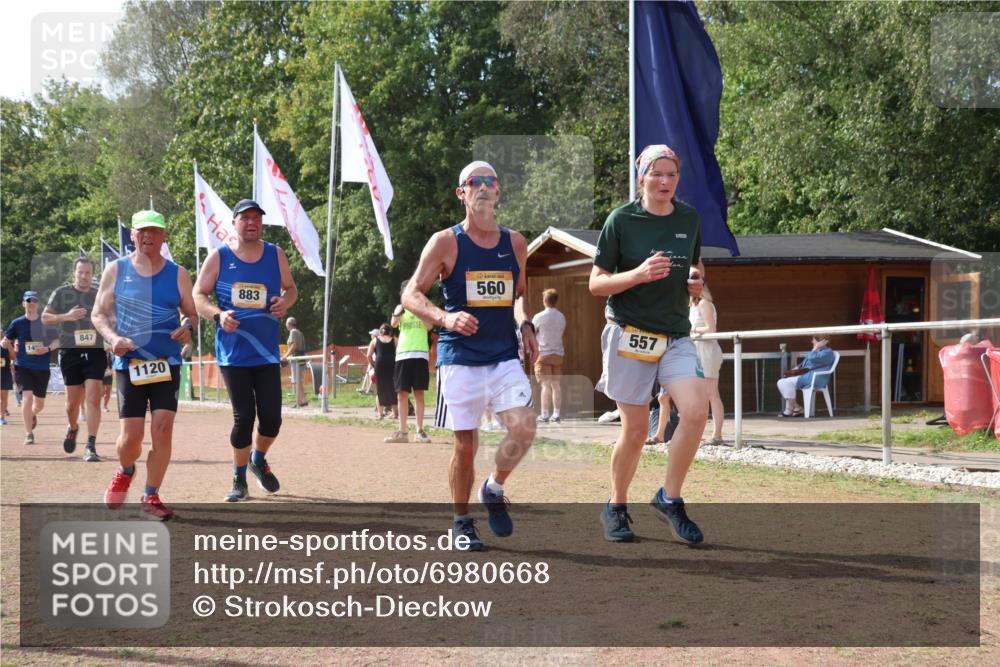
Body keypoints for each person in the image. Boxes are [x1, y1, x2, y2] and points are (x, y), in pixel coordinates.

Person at [402, 160, 538, 551]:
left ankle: (493, 489)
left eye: (489, 181)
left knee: (524, 427)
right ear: (461, 193)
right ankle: (461, 522)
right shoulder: (445, 242)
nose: (482, 187)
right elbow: (410, 294)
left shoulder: (516, 242)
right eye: (473, 182)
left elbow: (518, 295)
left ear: (498, 192)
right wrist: (445, 317)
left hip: (503, 355)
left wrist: (525, 325)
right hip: (459, 357)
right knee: (466, 446)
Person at [589, 144, 709, 545]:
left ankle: (669, 498)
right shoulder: (621, 220)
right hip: (630, 333)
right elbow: (596, 283)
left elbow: (696, 265)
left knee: (696, 410)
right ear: (641, 177)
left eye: (671, 175)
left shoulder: (689, 217)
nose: (664, 182)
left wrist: (696, 280)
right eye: (656, 174)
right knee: (637, 430)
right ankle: (617, 505)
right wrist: (637, 275)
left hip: (675, 334)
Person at [92, 210, 196, 521]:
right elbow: (98, 314)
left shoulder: (178, 273)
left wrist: (187, 327)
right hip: (130, 365)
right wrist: (113, 337)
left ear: (163, 236)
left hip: (166, 363)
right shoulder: (116, 270)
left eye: (155, 231)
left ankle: (151, 495)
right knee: (131, 439)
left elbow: (191, 315)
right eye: (142, 231)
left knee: (163, 430)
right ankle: (125, 470)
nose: (148, 236)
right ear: (133, 236)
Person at [194, 198, 297, 503]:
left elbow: (291, 289)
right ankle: (239, 480)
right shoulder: (219, 257)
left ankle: (257, 458)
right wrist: (217, 314)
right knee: (244, 418)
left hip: (266, 352)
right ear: (235, 223)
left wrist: (285, 302)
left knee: (272, 420)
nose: (252, 223)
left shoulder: (275, 254)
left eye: (257, 218)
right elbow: (198, 294)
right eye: (245, 218)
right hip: (233, 353)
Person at [41, 257, 107, 461]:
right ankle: (73, 426)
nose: (84, 276)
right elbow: (44, 318)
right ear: (74, 272)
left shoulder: (99, 294)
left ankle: (91, 445)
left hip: (95, 351)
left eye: (88, 272)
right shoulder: (62, 293)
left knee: (94, 398)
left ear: (93, 274)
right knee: (72, 404)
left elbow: (110, 316)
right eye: (80, 272)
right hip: (70, 352)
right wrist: (66, 316)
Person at [2, 292, 60, 444]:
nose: (31, 303)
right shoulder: (17, 323)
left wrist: (47, 349)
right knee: (27, 398)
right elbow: (6, 339)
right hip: (23, 366)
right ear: (23, 303)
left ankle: (32, 414)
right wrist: (4, 343)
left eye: (34, 301)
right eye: (28, 301)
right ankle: (29, 434)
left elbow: (57, 341)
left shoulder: (45, 322)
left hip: (42, 368)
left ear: (38, 304)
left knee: (39, 405)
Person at [385, 280, 433, 444]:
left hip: (420, 354)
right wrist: (402, 309)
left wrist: (418, 310)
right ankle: (403, 432)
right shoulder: (400, 309)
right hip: (403, 354)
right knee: (402, 394)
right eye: (407, 293)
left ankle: (419, 430)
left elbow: (429, 326)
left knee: (419, 394)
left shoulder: (423, 308)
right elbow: (393, 323)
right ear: (402, 294)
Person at [690, 282, 725, 445]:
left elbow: (711, 328)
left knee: (712, 393)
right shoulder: (693, 305)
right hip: (697, 350)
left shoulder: (704, 303)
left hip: (707, 349)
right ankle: (702, 432)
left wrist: (694, 331)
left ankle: (717, 435)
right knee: (702, 394)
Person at [776, 336, 836, 417]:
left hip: (815, 378)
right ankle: (797, 407)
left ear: (821, 342)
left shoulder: (828, 353)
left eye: (814, 340)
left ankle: (789, 409)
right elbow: (804, 364)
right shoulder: (815, 351)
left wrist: (815, 347)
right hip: (806, 376)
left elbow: (812, 358)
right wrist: (794, 370)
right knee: (781, 382)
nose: (812, 342)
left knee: (786, 383)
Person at [532, 288, 567, 424]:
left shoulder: (539, 317)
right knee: (556, 385)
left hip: (543, 354)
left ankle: (544, 415)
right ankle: (556, 414)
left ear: (545, 300)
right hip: (558, 354)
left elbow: (532, 333)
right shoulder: (561, 317)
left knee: (545, 386)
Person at [367, 324, 398, 421]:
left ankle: (380, 414)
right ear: (390, 332)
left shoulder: (375, 340)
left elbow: (368, 355)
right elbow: (400, 351)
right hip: (392, 365)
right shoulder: (394, 340)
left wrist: (373, 364)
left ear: (380, 331)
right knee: (393, 388)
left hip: (379, 365)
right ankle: (394, 413)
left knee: (379, 389)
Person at [283, 317, 308, 407]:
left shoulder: (293, 332)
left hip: (296, 358)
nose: (285, 325)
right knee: (298, 380)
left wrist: (285, 356)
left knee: (296, 380)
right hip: (299, 357)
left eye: (286, 323)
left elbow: (294, 346)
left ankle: (299, 401)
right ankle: (303, 400)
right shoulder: (298, 332)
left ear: (289, 324)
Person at [1, 335, 12, 425]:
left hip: (5, 374)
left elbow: (13, 357)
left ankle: (2, 417)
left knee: (4, 398)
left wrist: (9, 347)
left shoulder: (7, 343)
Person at [102, 348, 113, 412]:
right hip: (99, 373)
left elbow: (114, 362)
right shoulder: (98, 352)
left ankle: (105, 406)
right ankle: (96, 405)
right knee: (101, 391)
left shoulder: (111, 353)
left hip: (109, 374)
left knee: (107, 391)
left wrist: (112, 369)